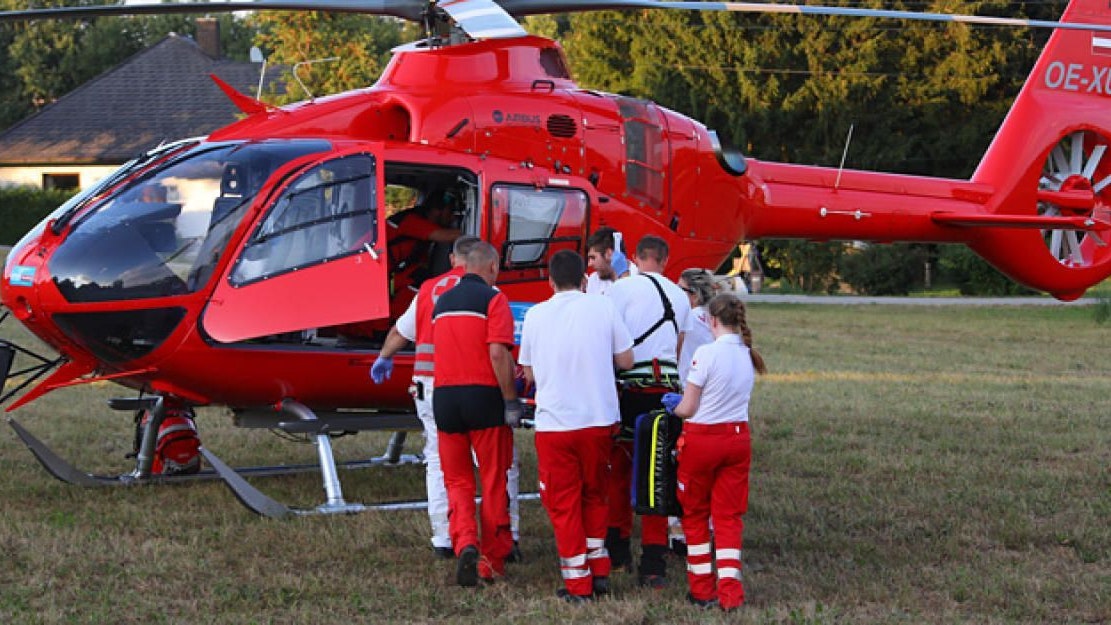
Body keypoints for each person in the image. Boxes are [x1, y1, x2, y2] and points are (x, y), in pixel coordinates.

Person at [518, 250, 634, 602]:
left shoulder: (536, 315)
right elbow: (626, 359)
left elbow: (529, 372)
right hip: (599, 419)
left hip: (555, 423)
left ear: (550, 282)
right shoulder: (602, 307)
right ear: (584, 280)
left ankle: (577, 583)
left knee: (563, 503)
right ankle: (599, 568)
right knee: (595, 494)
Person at [369, 235, 479, 558]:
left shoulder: (429, 290)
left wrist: (384, 357)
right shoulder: (487, 291)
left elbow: (399, 333)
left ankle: (444, 537)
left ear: (452, 259)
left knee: (437, 458)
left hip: (429, 388)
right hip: (473, 387)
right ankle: (496, 533)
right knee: (484, 460)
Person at [662, 292, 766, 611]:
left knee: (694, 514)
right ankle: (731, 592)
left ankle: (702, 589)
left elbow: (689, 408)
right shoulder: (748, 355)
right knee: (728, 517)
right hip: (737, 439)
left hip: (703, 440)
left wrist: (672, 406)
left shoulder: (706, 354)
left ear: (711, 321)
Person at [430, 241, 522, 587]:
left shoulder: (441, 303)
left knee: (456, 480)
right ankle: (491, 561)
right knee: (494, 479)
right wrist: (510, 400)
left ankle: (465, 540)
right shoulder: (494, 300)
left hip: (445, 399)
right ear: (493, 268)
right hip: (483, 397)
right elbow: (498, 353)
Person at [603, 234, 691, 588]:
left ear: (635, 258)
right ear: (666, 261)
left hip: (630, 389)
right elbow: (678, 347)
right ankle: (654, 563)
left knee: (620, 468)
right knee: (658, 476)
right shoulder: (680, 296)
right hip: (667, 392)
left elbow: (612, 342)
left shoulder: (621, 291)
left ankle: (616, 549)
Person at [386, 192, 463, 318]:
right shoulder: (412, 221)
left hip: (393, 273)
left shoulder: (419, 219)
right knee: (420, 281)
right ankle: (400, 326)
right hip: (385, 276)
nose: (452, 218)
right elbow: (446, 236)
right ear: (437, 211)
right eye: (451, 212)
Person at [584, 226, 630, 295]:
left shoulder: (639, 277)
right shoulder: (593, 280)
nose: (589, 264)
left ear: (609, 254)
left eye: (593, 257)